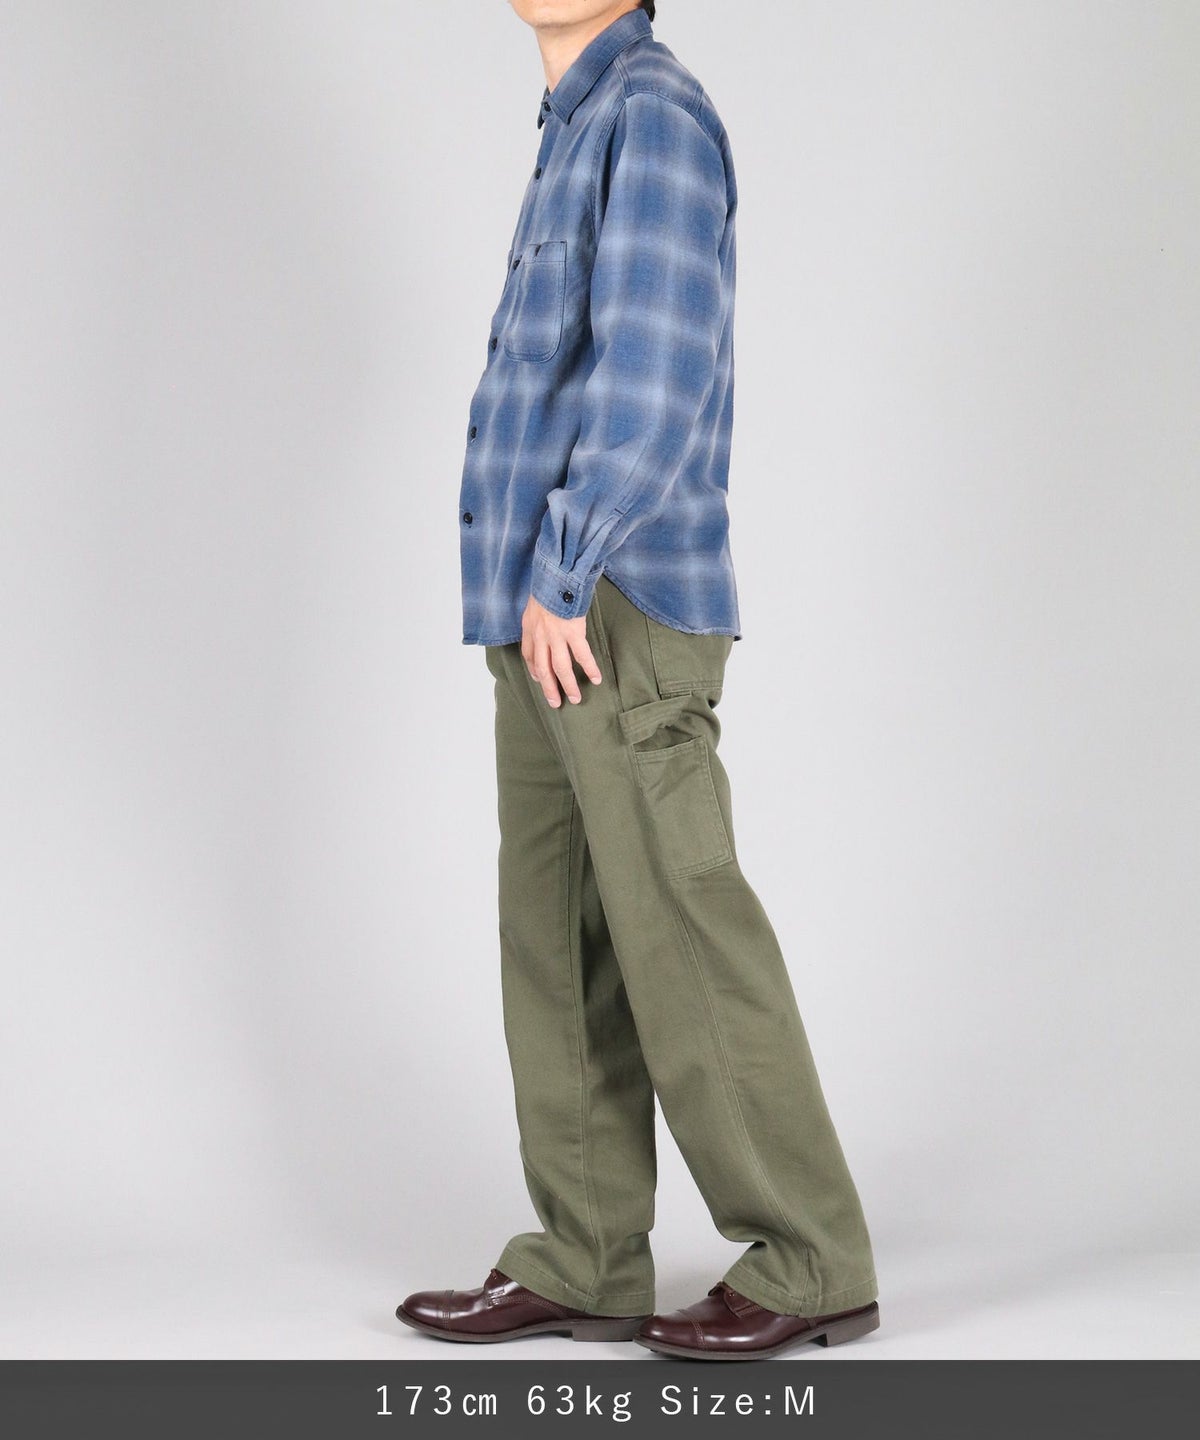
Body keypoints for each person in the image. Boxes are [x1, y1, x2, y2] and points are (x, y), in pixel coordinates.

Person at [397, 0, 880, 1361]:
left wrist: (565, 568)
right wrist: (530, 590)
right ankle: (589, 1253)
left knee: (679, 922)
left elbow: (654, 378)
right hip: (538, 606)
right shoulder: (575, 125)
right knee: (554, 936)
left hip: (608, 598)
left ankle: (812, 1258)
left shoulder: (652, 115)